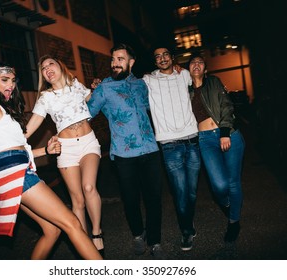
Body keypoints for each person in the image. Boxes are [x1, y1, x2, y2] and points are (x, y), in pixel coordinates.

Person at [0, 61, 102, 260]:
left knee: (52, 231)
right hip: (15, 173)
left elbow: (17, 149)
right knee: (72, 223)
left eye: (13, 81)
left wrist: (45, 150)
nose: (10, 85)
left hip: (16, 169)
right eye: (4, 80)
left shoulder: (3, 108)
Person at [87, 43, 165, 259]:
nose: (115, 64)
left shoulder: (142, 85)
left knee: (153, 199)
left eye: (120, 59)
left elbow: (158, 106)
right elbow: (87, 114)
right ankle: (138, 234)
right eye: (113, 59)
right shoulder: (104, 88)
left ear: (131, 62)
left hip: (150, 150)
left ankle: (156, 242)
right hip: (123, 154)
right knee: (130, 199)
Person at [25, 55, 103, 254]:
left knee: (88, 186)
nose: (47, 68)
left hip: (88, 142)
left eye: (51, 63)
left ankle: (96, 232)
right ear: (43, 75)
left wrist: (97, 87)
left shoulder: (76, 85)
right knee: (77, 200)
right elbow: (31, 126)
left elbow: (95, 98)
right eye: (43, 68)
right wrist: (12, 142)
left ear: (60, 66)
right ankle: (84, 245)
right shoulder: (45, 98)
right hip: (65, 148)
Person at [142, 46, 201, 251]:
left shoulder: (183, 74)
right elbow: (128, 86)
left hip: (192, 140)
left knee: (191, 192)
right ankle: (186, 231)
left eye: (165, 54)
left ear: (172, 58)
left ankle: (188, 222)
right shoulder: (148, 81)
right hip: (169, 145)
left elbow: (199, 80)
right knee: (180, 191)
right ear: (155, 61)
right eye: (157, 56)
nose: (162, 58)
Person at [188, 53, 245, 242]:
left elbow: (227, 106)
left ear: (205, 69)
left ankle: (233, 222)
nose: (196, 64)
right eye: (192, 62)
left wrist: (224, 132)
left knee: (233, 183)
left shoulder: (214, 82)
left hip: (228, 135)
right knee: (219, 186)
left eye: (200, 62)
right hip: (205, 139)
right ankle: (229, 206)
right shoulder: (184, 89)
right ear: (188, 69)